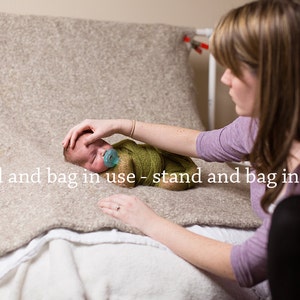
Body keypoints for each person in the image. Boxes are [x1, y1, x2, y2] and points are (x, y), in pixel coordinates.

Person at [62, 0, 300, 294]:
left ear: (276, 77)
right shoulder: (258, 127)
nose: (225, 79)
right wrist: (122, 125)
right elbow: (200, 143)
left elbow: (245, 265)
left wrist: (148, 221)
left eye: (235, 69)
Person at [63, 130, 198, 190]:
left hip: (162, 157)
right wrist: (124, 163)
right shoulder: (106, 175)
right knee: (170, 183)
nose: (103, 151)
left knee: (166, 145)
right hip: (161, 173)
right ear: (87, 169)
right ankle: (188, 176)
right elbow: (126, 183)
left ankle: (186, 165)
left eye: (102, 143)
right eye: (94, 156)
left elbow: (130, 144)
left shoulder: (118, 149)